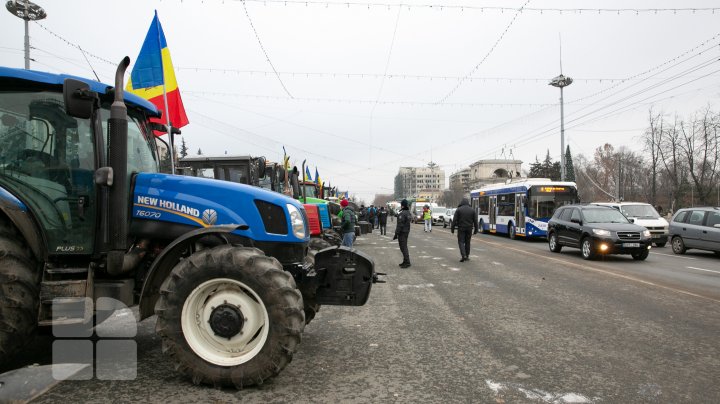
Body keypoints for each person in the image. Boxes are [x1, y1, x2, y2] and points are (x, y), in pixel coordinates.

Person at [451, 198, 478, 262]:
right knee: (467, 242)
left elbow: (454, 220)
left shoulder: (458, 210)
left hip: (461, 228)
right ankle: (467, 255)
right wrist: (476, 230)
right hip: (469, 229)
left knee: (461, 242)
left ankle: (463, 255)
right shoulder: (472, 210)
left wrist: (452, 229)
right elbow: (475, 221)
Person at [393, 199, 412, 268]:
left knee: (403, 247)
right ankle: (405, 261)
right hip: (406, 231)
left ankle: (407, 262)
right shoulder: (408, 212)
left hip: (402, 232)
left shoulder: (402, 213)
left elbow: (400, 225)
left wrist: (396, 234)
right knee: (404, 247)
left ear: (402, 205)